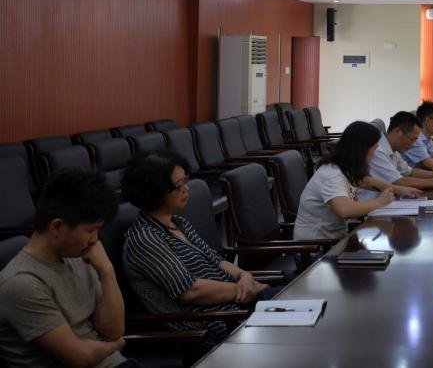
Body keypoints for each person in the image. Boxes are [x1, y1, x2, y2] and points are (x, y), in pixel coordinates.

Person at [120, 151, 277, 339]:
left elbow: (217, 261)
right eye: (179, 185)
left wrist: (245, 276)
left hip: (238, 305)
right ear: (155, 192)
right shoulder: (144, 239)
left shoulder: (179, 223)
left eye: (185, 181)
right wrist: (245, 289)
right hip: (216, 323)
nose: (186, 189)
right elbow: (191, 291)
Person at [0, 168, 128, 368]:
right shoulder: (22, 282)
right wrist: (116, 346)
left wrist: (107, 270)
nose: (95, 240)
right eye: (91, 230)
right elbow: (82, 358)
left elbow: (112, 330)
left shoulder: (77, 255)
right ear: (57, 227)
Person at [294, 121, 398, 241]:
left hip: (334, 240)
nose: (374, 155)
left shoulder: (343, 168)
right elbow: (345, 210)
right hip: (316, 247)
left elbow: (364, 181)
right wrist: (379, 202)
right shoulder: (332, 175)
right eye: (374, 150)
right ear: (362, 151)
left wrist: (398, 189)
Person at [356, 111, 433, 200]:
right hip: (372, 210)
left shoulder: (392, 148)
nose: (413, 144)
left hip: (390, 204)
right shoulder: (378, 150)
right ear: (398, 131)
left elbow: (409, 171)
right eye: (412, 139)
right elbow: (399, 182)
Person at [402, 101, 433, 170]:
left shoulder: (428, 137)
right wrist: (429, 161)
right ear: (428, 121)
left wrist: (426, 163)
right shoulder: (415, 139)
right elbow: (431, 164)